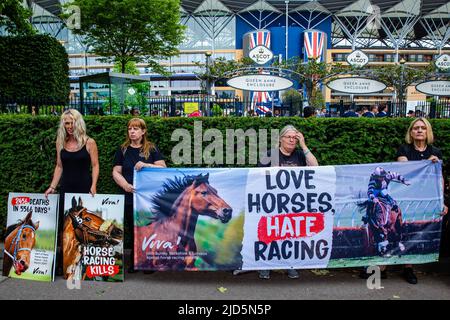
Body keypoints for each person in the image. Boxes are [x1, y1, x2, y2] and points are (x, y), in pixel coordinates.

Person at [257, 125, 318, 279]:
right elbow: (258, 177)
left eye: (294, 138)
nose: (292, 140)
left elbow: (316, 167)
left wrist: (303, 145)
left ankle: (290, 263)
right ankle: (265, 265)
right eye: (288, 137)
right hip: (272, 203)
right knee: (269, 234)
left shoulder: (299, 155)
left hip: (293, 204)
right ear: (280, 139)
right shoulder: (270, 154)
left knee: (290, 235)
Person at [44, 109, 99, 275]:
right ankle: (64, 260)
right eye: (66, 123)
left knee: (83, 226)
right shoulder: (60, 142)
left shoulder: (89, 142)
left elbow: (95, 165)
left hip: (84, 188)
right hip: (66, 188)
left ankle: (82, 261)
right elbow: (59, 166)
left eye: (71, 122)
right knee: (65, 226)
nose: (69, 126)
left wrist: (94, 185)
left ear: (78, 122)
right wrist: (53, 186)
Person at [395, 117, 448, 284]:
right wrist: (426, 163)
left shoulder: (436, 152)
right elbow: (405, 172)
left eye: (422, 128)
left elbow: (439, 178)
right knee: (404, 230)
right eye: (416, 128)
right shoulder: (404, 150)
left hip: (427, 198)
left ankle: (409, 267)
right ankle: (389, 265)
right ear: (411, 132)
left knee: (417, 232)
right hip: (407, 197)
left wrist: (441, 201)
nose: (419, 130)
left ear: (428, 132)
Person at [112, 118, 167, 273]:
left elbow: (163, 168)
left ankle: (149, 261)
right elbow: (116, 171)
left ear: (143, 131)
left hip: (149, 198)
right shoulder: (123, 149)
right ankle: (135, 261)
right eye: (130, 128)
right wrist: (125, 185)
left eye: (136, 129)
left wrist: (146, 165)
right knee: (132, 228)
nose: (132, 131)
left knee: (148, 229)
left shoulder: (151, 148)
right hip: (130, 195)